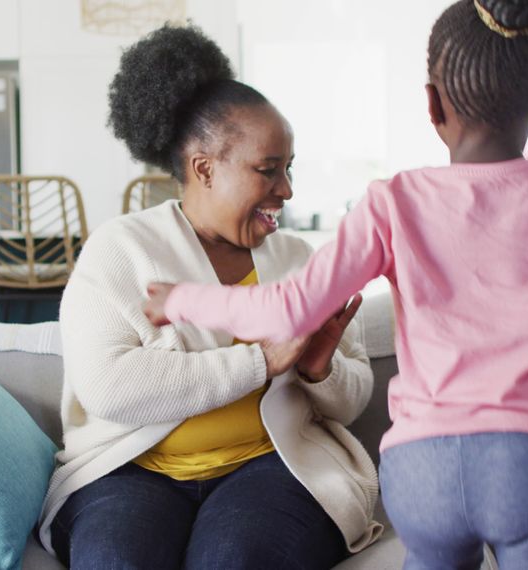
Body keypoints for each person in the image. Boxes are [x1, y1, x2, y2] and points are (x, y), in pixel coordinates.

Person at [144, 1, 528, 568]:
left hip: (420, 470)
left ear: (431, 101)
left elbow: (290, 310)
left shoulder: (393, 203)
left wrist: (182, 298)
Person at [37, 24, 382, 569]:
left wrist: (319, 372)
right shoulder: (120, 250)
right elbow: (109, 387)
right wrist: (264, 360)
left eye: (288, 169)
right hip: (132, 471)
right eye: (268, 171)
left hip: (271, 467)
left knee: (234, 560)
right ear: (204, 168)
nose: (287, 190)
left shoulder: (300, 259)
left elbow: (354, 395)